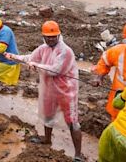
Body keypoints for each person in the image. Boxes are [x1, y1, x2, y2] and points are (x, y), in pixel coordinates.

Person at [5, 21, 82, 161]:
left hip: (66, 91)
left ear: (58, 35)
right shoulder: (43, 48)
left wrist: (35, 65)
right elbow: (30, 58)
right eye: (48, 36)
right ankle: (47, 139)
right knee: (48, 115)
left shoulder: (65, 51)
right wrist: (14, 57)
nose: (51, 39)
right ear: (43, 36)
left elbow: (55, 70)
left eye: (54, 36)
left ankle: (77, 154)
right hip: (49, 89)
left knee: (72, 121)